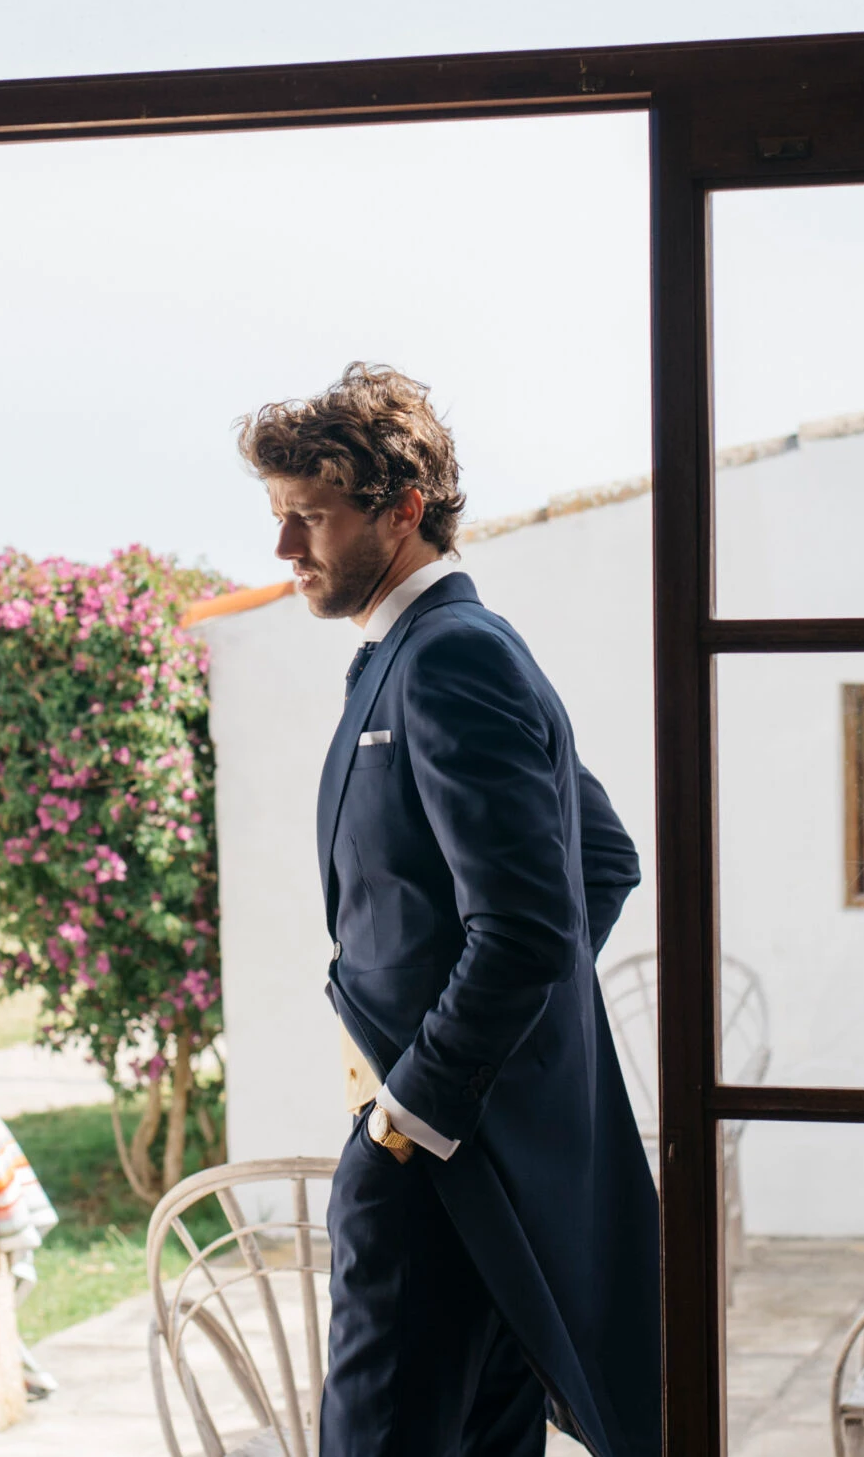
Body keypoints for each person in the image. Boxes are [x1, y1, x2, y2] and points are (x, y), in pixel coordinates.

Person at [236, 364, 660, 1457]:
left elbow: (533, 923)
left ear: (403, 509)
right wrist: (489, 1067)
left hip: (431, 1160)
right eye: (278, 514)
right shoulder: (413, 652)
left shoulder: (454, 655)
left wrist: (410, 1114)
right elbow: (600, 862)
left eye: (310, 516)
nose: (284, 546)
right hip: (466, 1160)